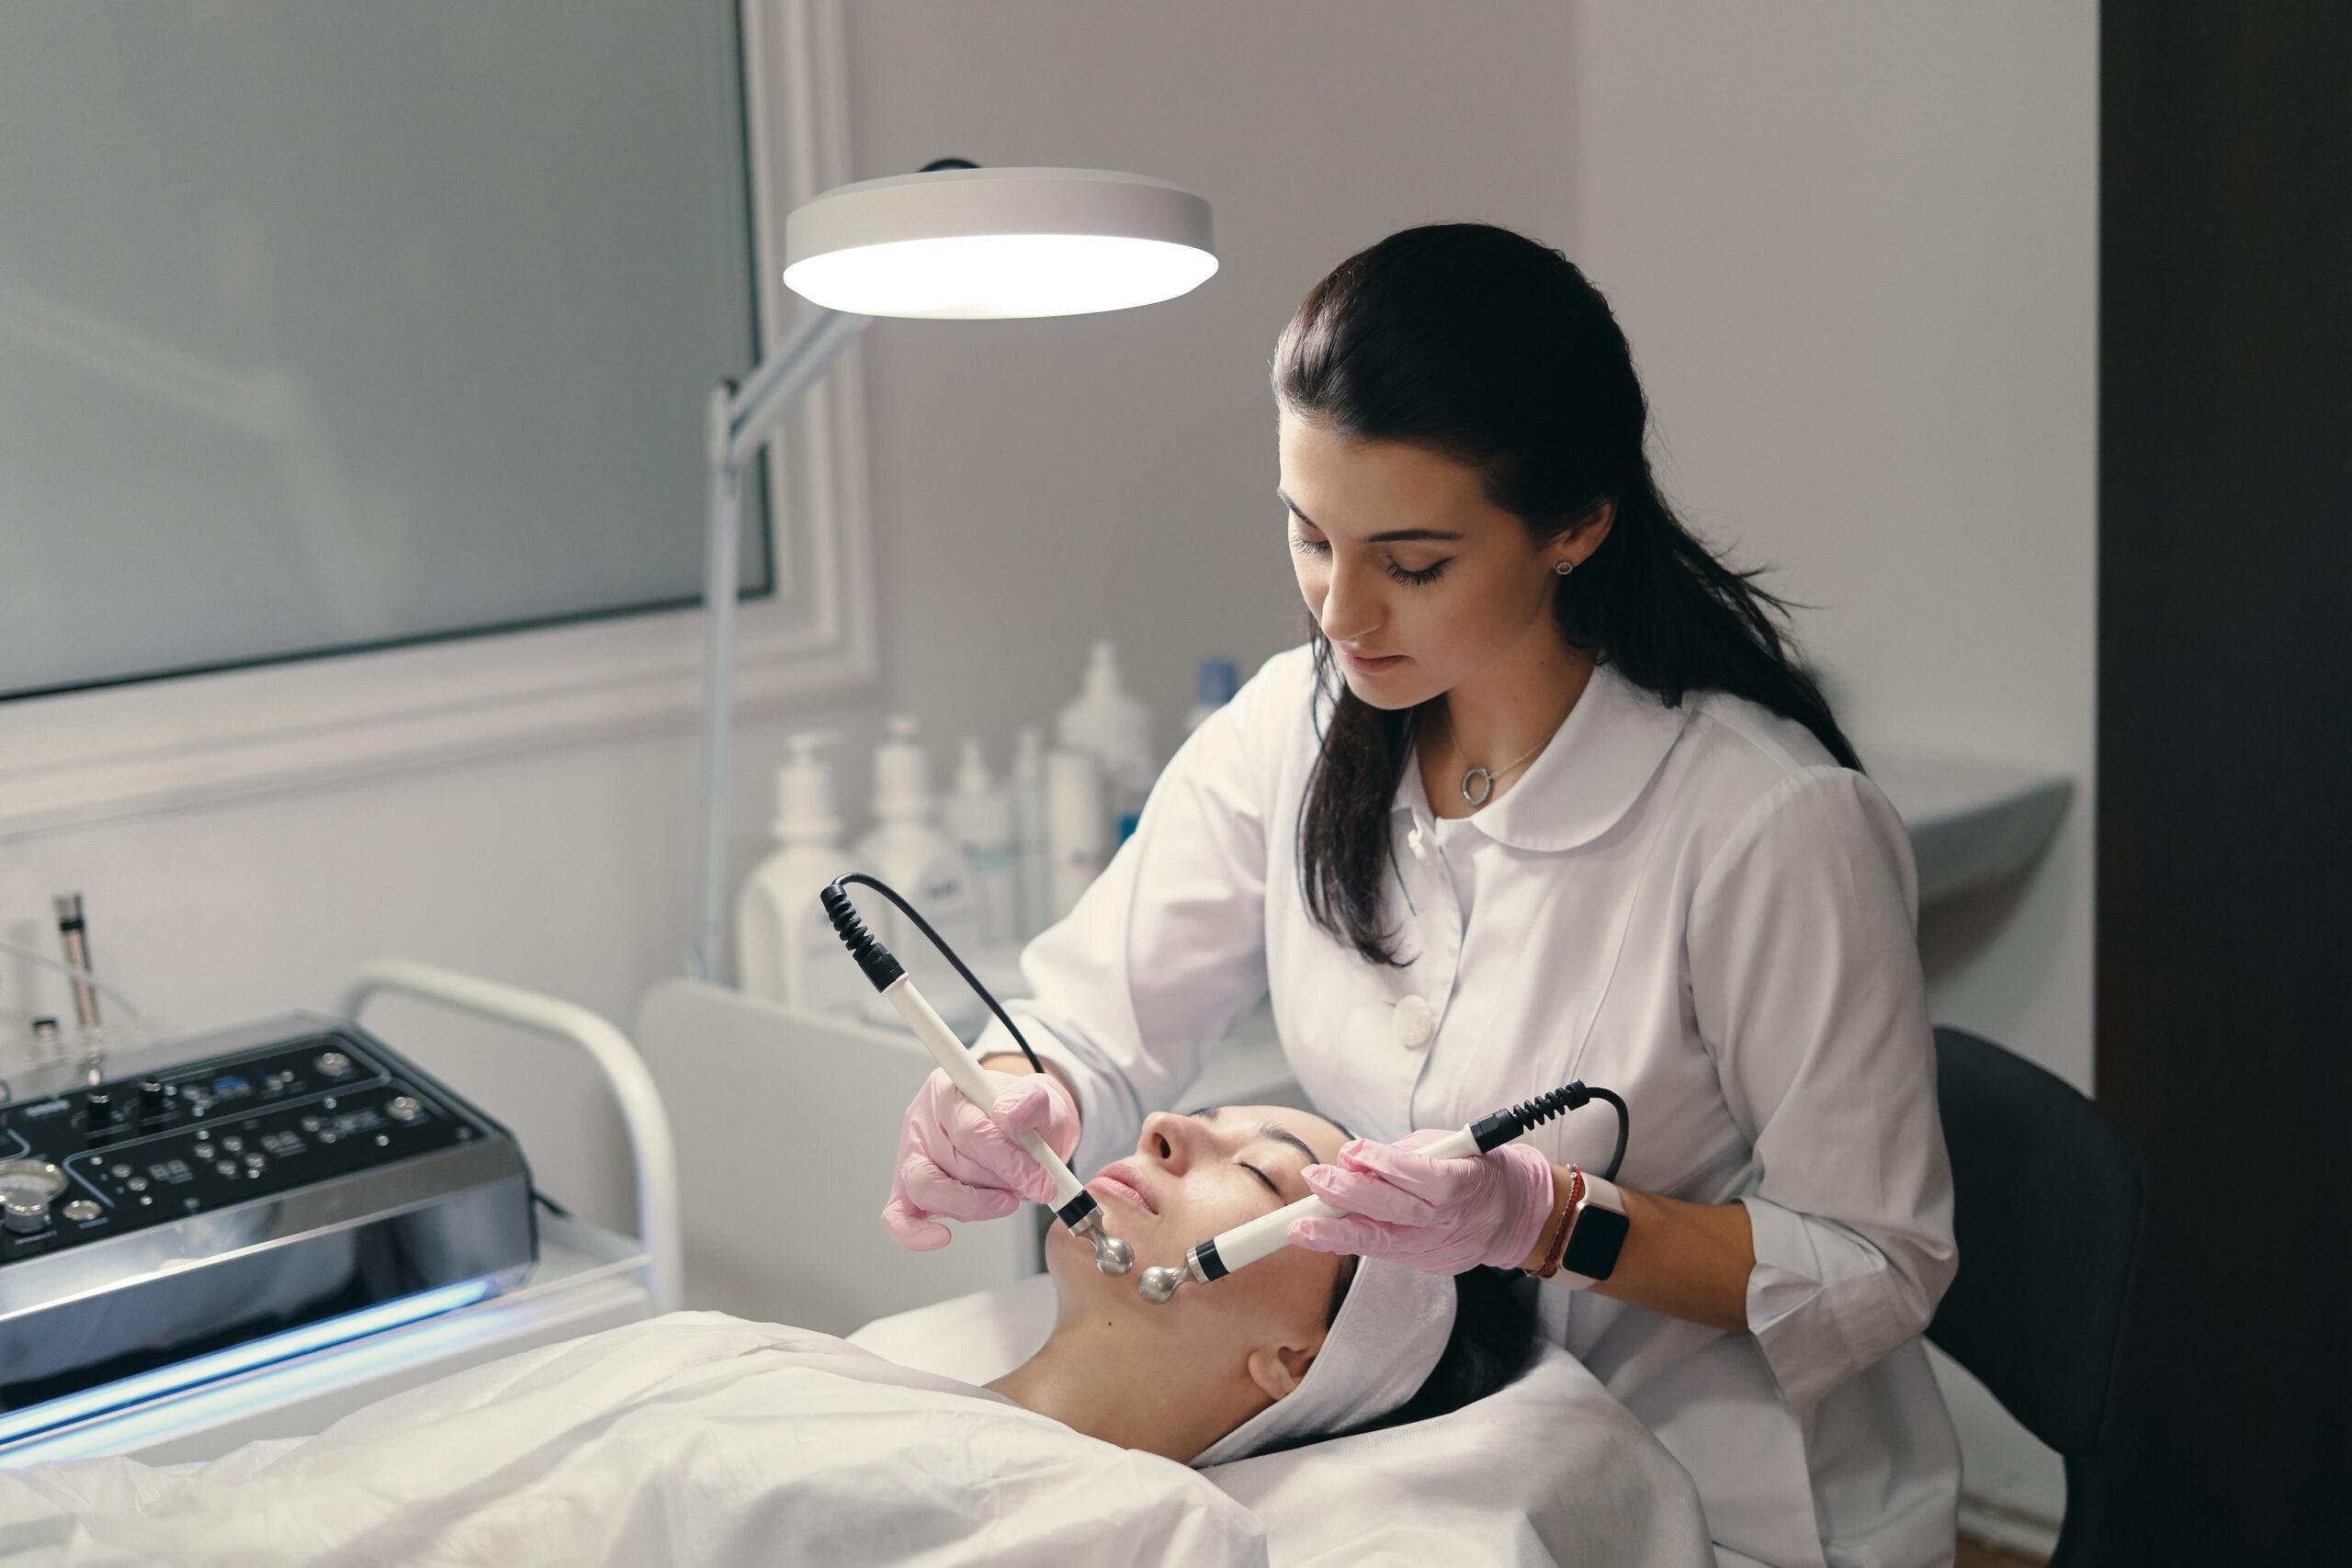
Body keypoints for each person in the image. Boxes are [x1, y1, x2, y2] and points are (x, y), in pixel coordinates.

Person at [883, 222, 1960, 1568]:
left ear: (1575, 526)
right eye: (1308, 537)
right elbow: (1096, 1028)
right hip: (1411, 1456)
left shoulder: (1766, 826)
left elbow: (1875, 1264)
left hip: (1707, 1492)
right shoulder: (1291, 729)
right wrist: (1009, 1095)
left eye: (1413, 563)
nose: (1342, 613)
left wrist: (1548, 1219)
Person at [0, 1105, 1536, 1568]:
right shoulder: (819, 1364)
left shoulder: (1148, 1528)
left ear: (1294, 1362)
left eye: (1262, 1174)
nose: (1173, 1127)